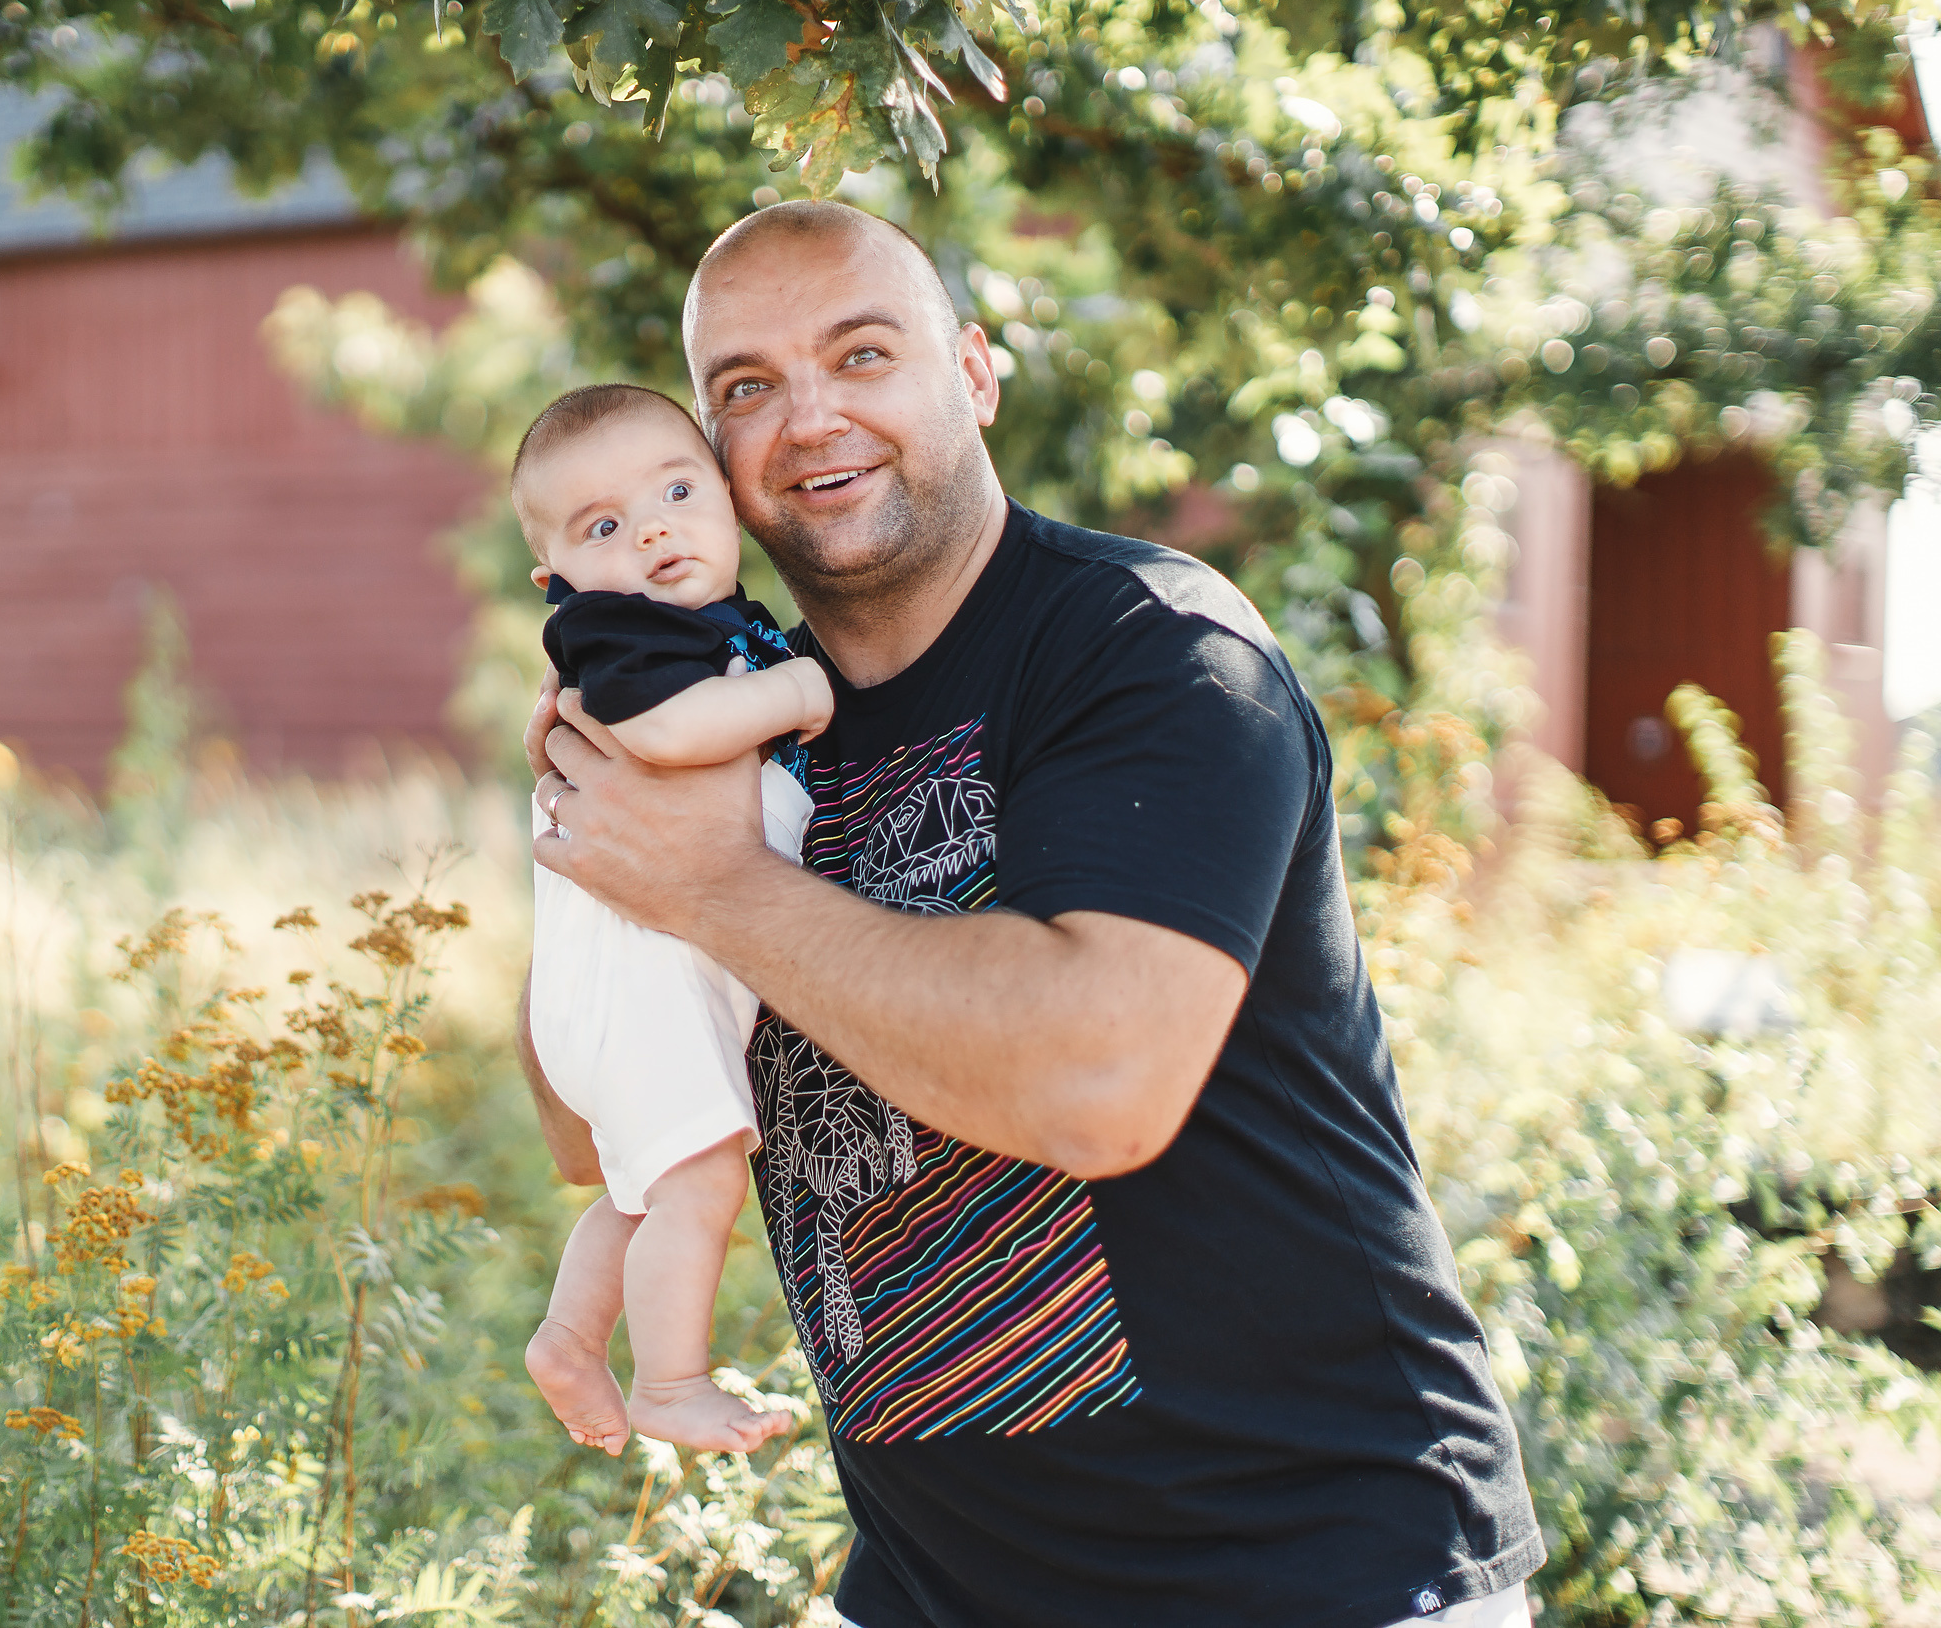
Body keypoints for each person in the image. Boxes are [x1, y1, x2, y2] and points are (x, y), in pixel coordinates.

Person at [519, 200, 1544, 1628]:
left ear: (975, 373)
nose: (809, 419)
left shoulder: (1157, 655)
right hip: (936, 1586)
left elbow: (1099, 1082)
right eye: (746, 387)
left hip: (1306, 1569)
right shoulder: (726, 730)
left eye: (862, 354)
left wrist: (705, 882)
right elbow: (594, 1133)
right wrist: (596, 887)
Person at [512, 382, 835, 1456]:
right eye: (604, 525)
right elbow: (664, 733)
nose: (652, 528)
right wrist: (794, 696)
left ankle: (569, 1335)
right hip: (636, 972)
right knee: (699, 1177)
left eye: (677, 490)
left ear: (730, 506)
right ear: (556, 582)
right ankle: (672, 1383)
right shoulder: (617, 633)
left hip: (621, 980)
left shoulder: (716, 624)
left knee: (645, 1187)